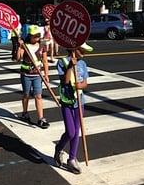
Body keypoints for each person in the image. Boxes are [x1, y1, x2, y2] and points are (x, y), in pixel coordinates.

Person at [54, 42, 93, 174]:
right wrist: (71, 66)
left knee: (77, 131)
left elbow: (85, 83)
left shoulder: (83, 64)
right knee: (70, 132)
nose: (84, 53)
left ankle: (72, 159)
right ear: (74, 49)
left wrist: (80, 85)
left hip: (80, 101)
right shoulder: (62, 62)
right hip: (67, 101)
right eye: (82, 50)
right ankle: (59, 148)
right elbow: (64, 81)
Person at [16, 24, 50, 129]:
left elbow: (45, 61)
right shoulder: (24, 45)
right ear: (29, 36)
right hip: (26, 74)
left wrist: (46, 74)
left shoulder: (42, 46)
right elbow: (18, 59)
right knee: (26, 94)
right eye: (34, 35)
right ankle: (25, 113)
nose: (37, 37)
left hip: (37, 74)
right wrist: (20, 47)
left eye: (38, 35)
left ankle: (41, 118)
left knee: (38, 96)